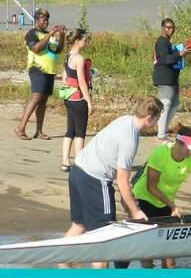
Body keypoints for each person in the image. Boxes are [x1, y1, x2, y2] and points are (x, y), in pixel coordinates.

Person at [58, 96, 163, 269]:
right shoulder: (130, 139)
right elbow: (122, 181)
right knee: (104, 239)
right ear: (150, 118)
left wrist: (126, 200)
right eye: (158, 119)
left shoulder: (125, 120)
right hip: (95, 180)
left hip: (77, 171)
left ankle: (63, 264)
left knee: (79, 225)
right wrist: (136, 212)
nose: (157, 122)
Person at [130, 123, 191, 269]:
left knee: (169, 251)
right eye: (189, 148)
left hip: (166, 201)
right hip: (144, 197)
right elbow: (151, 186)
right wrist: (172, 206)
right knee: (148, 247)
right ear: (179, 142)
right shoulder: (160, 153)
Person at [14, 9, 66, 141]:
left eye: (47, 20)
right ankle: (21, 128)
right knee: (36, 98)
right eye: (43, 20)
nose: (46, 22)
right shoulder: (32, 33)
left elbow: (57, 50)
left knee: (43, 101)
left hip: (49, 70)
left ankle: (39, 131)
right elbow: (36, 48)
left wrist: (62, 36)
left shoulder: (49, 34)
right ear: (37, 21)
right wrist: (51, 34)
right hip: (37, 69)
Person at [153, 18, 191, 143]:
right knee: (165, 104)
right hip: (164, 77)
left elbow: (172, 58)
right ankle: (161, 135)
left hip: (172, 78)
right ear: (162, 28)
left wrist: (182, 52)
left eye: (173, 28)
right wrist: (180, 54)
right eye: (168, 27)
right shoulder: (161, 42)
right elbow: (165, 59)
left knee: (174, 105)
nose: (171, 30)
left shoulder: (168, 43)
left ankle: (163, 131)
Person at [60, 28, 94, 172]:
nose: (87, 42)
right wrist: (89, 101)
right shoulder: (79, 59)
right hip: (79, 98)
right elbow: (81, 82)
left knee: (70, 131)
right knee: (80, 132)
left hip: (69, 97)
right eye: (85, 40)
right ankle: (79, 163)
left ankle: (65, 161)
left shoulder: (68, 56)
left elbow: (64, 79)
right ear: (78, 41)